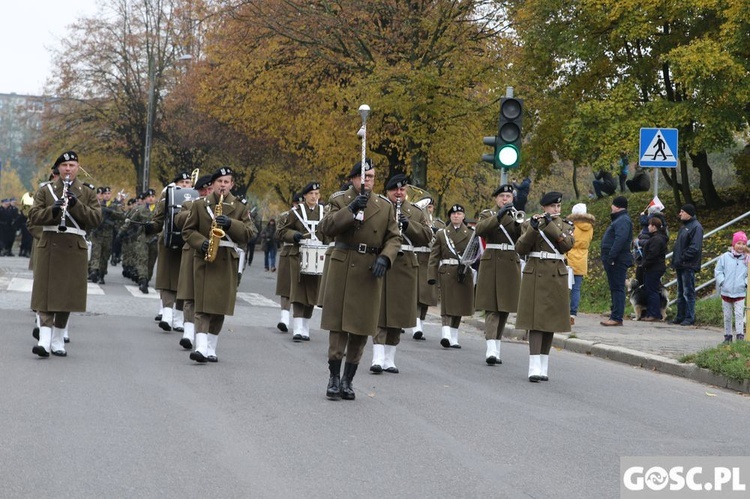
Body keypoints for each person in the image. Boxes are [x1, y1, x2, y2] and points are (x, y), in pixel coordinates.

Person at [318, 159, 401, 400]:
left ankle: (348, 380)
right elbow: (327, 228)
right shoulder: (340, 200)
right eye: (364, 176)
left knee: (361, 328)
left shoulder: (384, 206)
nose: (368, 181)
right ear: (353, 178)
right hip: (344, 266)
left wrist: (385, 258)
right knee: (339, 326)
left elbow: (394, 238)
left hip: (369, 270)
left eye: (372, 177)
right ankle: (333, 377)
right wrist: (352, 208)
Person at [29, 151, 102, 357]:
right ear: (58, 169)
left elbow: (96, 218)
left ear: (77, 168)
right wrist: (52, 210)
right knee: (45, 294)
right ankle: (44, 340)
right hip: (50, 244)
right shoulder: (46, 191)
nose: (68, 169)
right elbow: (33, 216)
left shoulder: (86, 193)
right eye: (64, 166)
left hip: (73, 245)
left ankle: (58, 338)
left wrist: (76, 205)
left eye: (71, 165)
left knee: (67, 295)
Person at [182, 167, 256, 363]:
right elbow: (187, 231)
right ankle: (200, 347)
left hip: (226, 260)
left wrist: (231, 223)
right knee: (202, 305)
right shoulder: (200, 205)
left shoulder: (239, 207)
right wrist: (201, 242)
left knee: (218, 307)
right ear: (213, 184)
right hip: (205, 259)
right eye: (219, 181)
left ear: (231, 184)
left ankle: (211, 347)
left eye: (226, 182)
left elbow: (250, 233)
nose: (222, 185)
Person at [370, 174, 432, 373]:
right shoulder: (378, 206)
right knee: (379, 311)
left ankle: (389, 358)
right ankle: (377, 357)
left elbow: (427, 237)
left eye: (402, 190)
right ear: (387, 191)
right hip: (383, 263)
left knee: (398, 314)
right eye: (394, 190)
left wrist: (408, 225)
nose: (399, 193)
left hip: (405, 266)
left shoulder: (415, 212)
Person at [515, 192, 575, 382]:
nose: (556, 210)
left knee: (550, 323)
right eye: (552, 207)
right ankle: (533, 366)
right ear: (544, 207)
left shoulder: (566, 225)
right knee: (536, 322)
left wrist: (549, 224)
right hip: (536, 274)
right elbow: (521, 248)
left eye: (558, 207)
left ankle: (543, 365)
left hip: (556, 275)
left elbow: (566, 245)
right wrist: (533, 228)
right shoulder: (529, 223)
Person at [475, 184, 522, 365]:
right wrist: (499, 216)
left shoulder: (517, 215)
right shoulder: (488, 214)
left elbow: (522, 238)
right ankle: (491, 349)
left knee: (505, 309)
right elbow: (480, 230)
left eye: (508, 196)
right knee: (492, 308)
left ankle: (497, 346)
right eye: (502, 196)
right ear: (496, 198)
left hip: (510, 263)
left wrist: (519, 224)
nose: (505, 199)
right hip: (492, 262)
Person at [277, 182, 326, 342]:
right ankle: (297, 326)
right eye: (311, 194)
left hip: (317, 256)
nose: (314, 197)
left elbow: (328, 232)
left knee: (312, 291)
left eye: (317, 194)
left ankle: (305, 325)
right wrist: (294, 235)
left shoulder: (324, 213)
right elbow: (283, 231)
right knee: (298, 290)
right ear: (304, 196)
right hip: (297, 255)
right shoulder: (296, 212)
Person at [427, 204, 476, 349]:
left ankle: (454, 336)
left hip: (463, 272)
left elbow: (474, 253)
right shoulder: (442, 234)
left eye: (459, 214)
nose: (456, 216)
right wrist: (431, 275)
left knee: (459, 305)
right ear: (450, 216)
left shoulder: (470, 233)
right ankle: (446, 334)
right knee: (448, 305)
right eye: (454, 214)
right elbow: (434, 256)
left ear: (463, 216)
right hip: (447, 271)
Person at [150, 171, 194, 332]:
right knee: (168, 280)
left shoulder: (195, 201)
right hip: (168, 242)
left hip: (187, 243)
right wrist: (151, 227)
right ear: (175, 184)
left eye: (188, 182)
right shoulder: (167, 199)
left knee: (183, 281)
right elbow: (157, 221)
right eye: (182, 182)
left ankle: (178, 318)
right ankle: (167, 315)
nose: (185, 185)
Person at [175, 174, 214, 350]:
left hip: (213, 254)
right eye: (202, 190)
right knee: (189, 295)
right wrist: (196, 210)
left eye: (209, 189)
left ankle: (205, 336)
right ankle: (188, 333)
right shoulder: (189, 204)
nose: (206, 192)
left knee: (207, 296)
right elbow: (178, 220)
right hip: (192, 252)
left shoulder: (221, 206)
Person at [410, 197, 445, 340]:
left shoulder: (439, 224)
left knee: (427, 297)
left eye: (430, 207)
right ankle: (415, 325)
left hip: (430, 260)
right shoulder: (416, 220)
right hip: (418, 257)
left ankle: (420, 324)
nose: (428, 209)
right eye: (426, 206)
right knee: (417, 295)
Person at [599, 196, 634, 326]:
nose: (611, 207)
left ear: (617, 206)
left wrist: (611, 256)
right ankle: (615, 313)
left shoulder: (623, 220)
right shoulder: (620, 219)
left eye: (612, 205)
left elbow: (620, 239)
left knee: (618, 287)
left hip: (617, 259)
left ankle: (617, 317)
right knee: (615, 287)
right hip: (615, 258)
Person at [671, 204, 704, 326]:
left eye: (682, 211)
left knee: (688, 292)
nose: (680, 214)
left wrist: (683, 258)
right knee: (680, 292)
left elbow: (694, 248)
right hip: (681, 264)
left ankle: (689, 317)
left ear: (689, 213)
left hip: (688, 265)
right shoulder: (684, 227)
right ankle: (680, 316)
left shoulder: (696, 227)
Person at [714, 231, 748, 342]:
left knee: (739, 314)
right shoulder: (725, 257)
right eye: (738, 243)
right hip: (726, 291)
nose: (741, 246)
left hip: (740, 292)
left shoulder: (747, 259)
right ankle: (727, 336)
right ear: (733, 244)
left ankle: (740, 336)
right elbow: (718, 271)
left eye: (743, 244)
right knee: (727, 315)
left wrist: (746, 283)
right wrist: (722, 282)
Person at [566, 203, 595, 325]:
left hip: (569, 257)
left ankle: (562, 312)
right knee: (576, 289)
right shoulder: (590, 227)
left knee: (564, 288)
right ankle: (573, 313)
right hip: (582, 259)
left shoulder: (571, 226)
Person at [639, 217, 668, 322]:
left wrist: (645, 264)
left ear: (654, 227)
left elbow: (653, 254)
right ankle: (652, 312)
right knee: (651, 289)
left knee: (652, 290)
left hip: (654, 268)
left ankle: (654, 314)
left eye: (649, 225)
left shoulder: (657, 239)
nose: (648, 227)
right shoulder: (657, 238)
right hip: (653, 267)